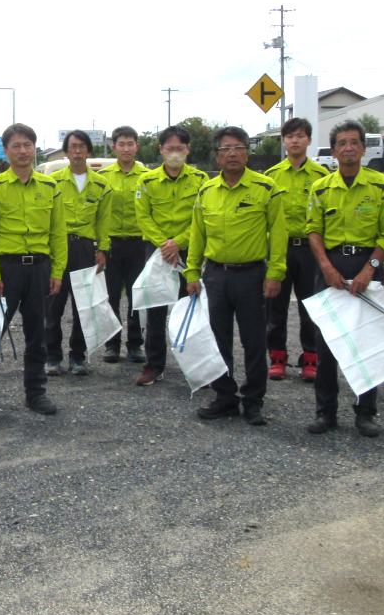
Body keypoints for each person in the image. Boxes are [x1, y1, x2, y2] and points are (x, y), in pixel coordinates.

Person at [305, 119, 384, 437]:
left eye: (354, 142)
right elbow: (313, 231)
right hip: (330, 266)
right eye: (342, 143)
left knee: (365, 341)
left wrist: (370, 268)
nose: (348, 148)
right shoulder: (320, 187)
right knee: (326, 342)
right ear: (333, 151)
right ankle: (325, 412)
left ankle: (366, 412)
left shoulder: (382, 185)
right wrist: (326, 267)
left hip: (367, 264)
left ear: (362, 148)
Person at [185, 127, 286, 425]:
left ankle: (253, 400)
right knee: (218, 340)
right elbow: (197, 235)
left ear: (247, 153)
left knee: (254, 340)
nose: (232, 153)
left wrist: (276, 273)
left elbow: (279, 235)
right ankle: (225, 396)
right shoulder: (206, 192)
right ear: (216, 156)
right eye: (226, 148)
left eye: (239, 147)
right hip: (216, 276)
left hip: (253, 276)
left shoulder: (266, 188)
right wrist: (191, 272)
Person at [0, 123, 67, 419]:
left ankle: (36, 393)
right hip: (6, 270)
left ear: (34, 148)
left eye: (28, 144)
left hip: (39, 269)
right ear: (6, 151)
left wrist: (58, 272)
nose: (23, 150)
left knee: (36, 334)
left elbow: (58, 233)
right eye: (16, 145)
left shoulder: (50, 187)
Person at [133, 125, 209, 387]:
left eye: (180, 148)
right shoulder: (146, 181)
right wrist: (165, 245)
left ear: (188, 150)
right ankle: (154, 364)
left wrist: (180, 242)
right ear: (161, 150)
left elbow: (202, 218)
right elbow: (143, 217)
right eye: (170, 148)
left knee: (190, 308)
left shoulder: (201, 181)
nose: (175, 153)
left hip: (190, 250)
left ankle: (195, 366)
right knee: (154, 309)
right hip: (156, 251)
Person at [263, 116, 329, 383]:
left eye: (300, 136)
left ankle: (310, 359)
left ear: (310, 141)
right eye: (290, 136)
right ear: (284, 141)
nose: (295, 140)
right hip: (279, 250)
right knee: (274, 306)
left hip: (309, 251)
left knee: (310, 306)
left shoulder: (322, 177)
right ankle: (277, 358)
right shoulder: (270, 177)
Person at [46, 130, 112, 375]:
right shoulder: (53, 181)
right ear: (65, 151)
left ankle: (78, 358)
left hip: (86, 248)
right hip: (58, 247)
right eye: (72, 146)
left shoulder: (102, 184)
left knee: (83, 306)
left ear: (88, 151)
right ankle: (52, 357)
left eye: (82, 146)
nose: (77, 151)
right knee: (53, 303)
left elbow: (104, 221)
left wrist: (102, 250)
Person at [96, 126, 148, 365]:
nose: (126, 148)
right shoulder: (104, 177)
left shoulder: (147, 176)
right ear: (114, 147)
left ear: (137, 146)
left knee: (138, 296)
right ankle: (112, 344)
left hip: (139, 244)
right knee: (112, 297)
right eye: (121, 144)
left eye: (131, 143)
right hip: (112, 245)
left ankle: (135, 344)